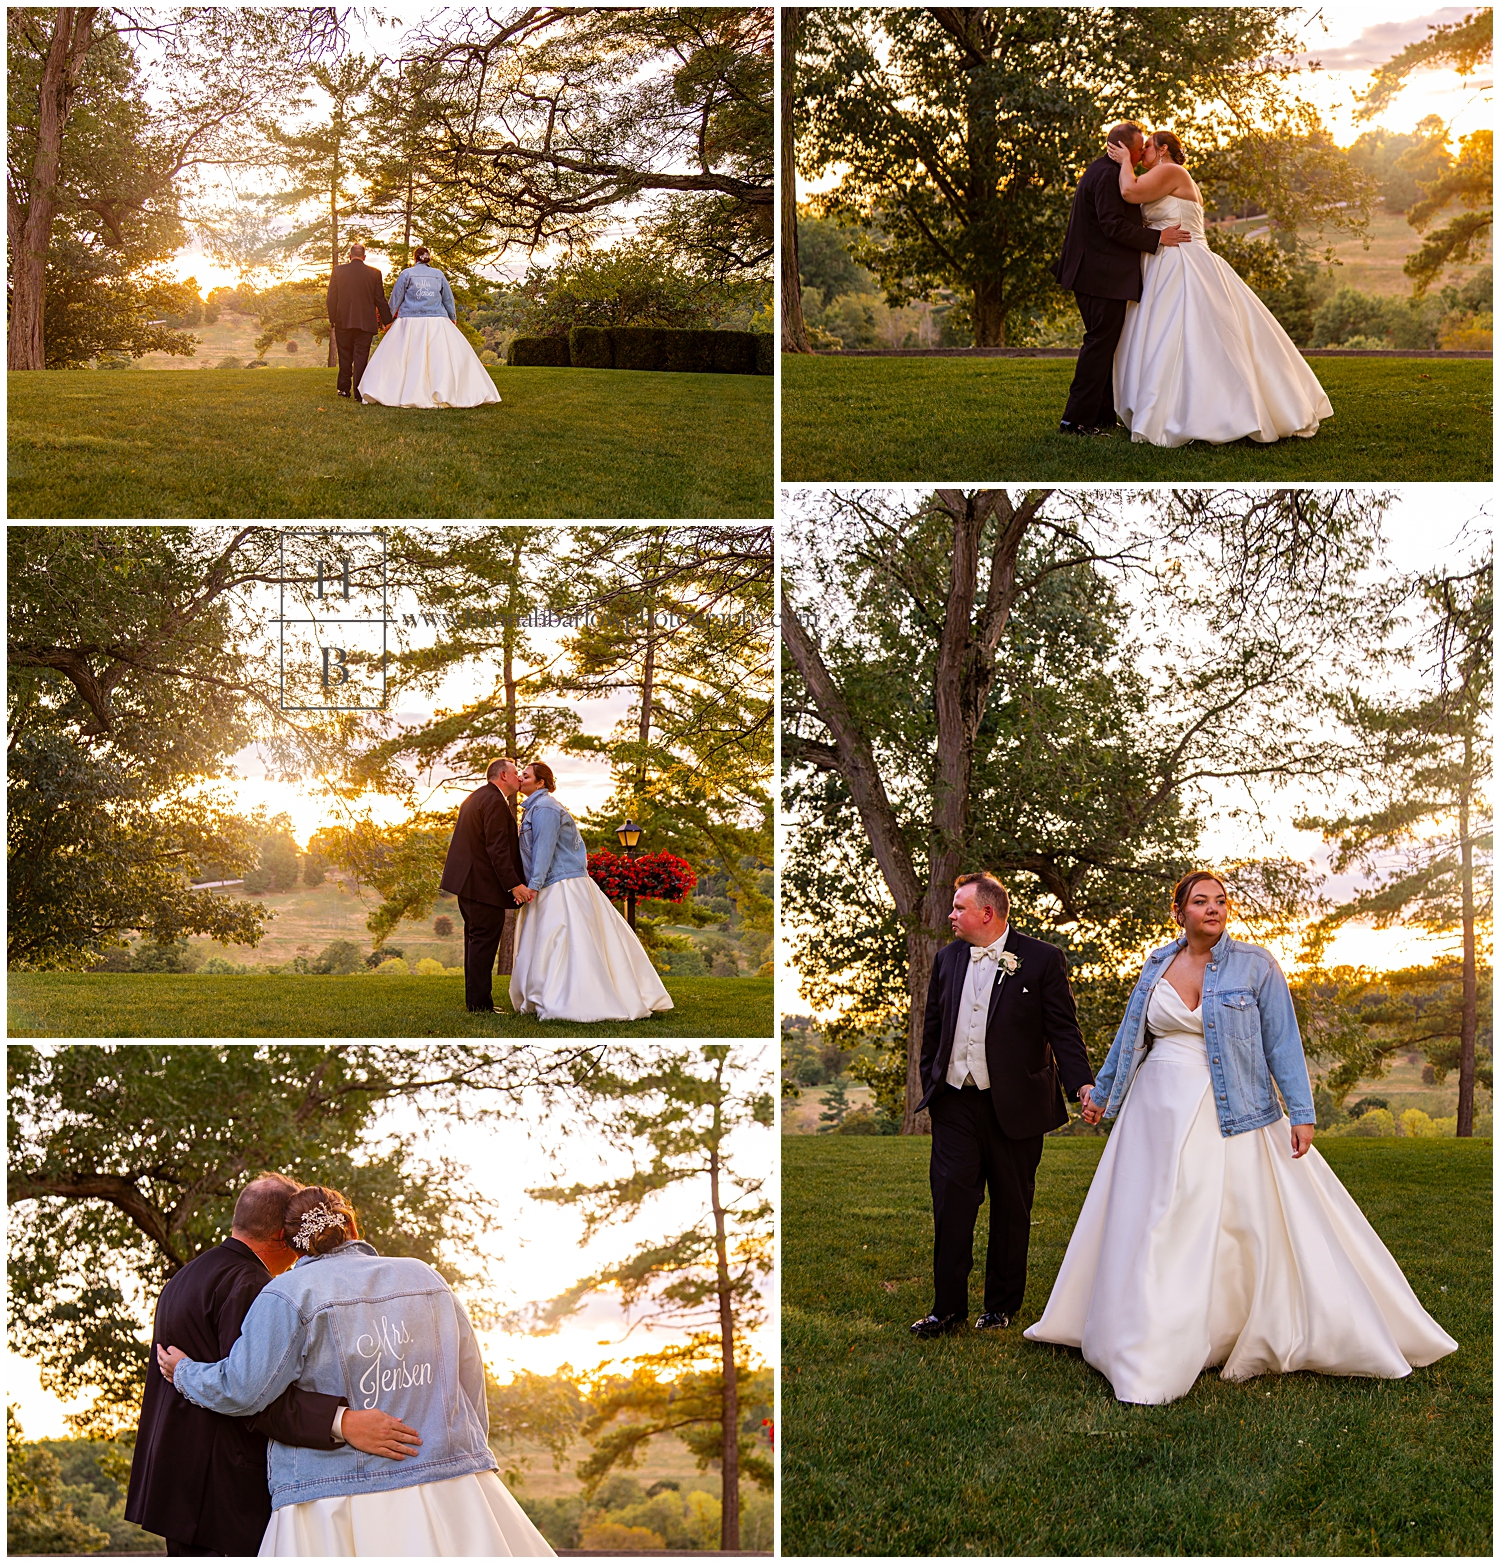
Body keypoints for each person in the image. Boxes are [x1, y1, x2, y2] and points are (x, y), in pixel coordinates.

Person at [1024, 872, 1459, 1404]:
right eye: (1200, 901)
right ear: (1178, 911)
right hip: (1152, 1116)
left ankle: (1207, 1333)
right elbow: (1130, 1037)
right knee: (1148, 1216)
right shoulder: (1157, 963)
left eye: (1221, 901)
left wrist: (1301, 1111)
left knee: (1204, 1218)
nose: (1213, 908)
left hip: (1225, 1111)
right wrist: (1102, 1095)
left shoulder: (1257, 965)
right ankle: (1139, 1331)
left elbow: (1282, 1041)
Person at [157, 1185, 554, 1557]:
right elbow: (468, 1379)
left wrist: (185, 1372)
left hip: (328, 1496)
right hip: (448, 1484)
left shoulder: (285, 1294)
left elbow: (242, 1389)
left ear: (293, 1244)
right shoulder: (426, 1277)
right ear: (349, 1224)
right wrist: (459, 1450)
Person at [125, 1173, 420, 1556]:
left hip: (179, 1491)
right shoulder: (252, 1285)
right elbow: (252, 1393)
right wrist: (343, 1423)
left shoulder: (184, 1278)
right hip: (226, 1499)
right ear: (284, 1236)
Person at [908, 873, 1094, 1340]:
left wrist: (1083, 1085)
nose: (950, 916)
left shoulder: (1042, 959)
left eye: (958, 908)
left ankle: (1000, 1305)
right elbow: (933, 1026)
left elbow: (1063, 1030)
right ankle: (946, 1310)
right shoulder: (948, 959)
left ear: (986, 914)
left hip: (1015, 1105)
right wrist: (933, 1078)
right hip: (954, 1102)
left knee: (1012, 1205)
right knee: (951, 1204)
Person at [1106, 130, 1334, 445]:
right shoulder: (1163, 174)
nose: (1140, 153)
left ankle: (1215, 413)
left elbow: (1129, 193)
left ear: (1162, 150)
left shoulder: (1171, 171)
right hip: (1163, 261)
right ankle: (1172, 407)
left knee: (1194, 336)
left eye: (1146, 147)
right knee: (1168, 338)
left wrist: (1121, 162)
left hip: (1182, 261)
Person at [1052, 121, 1193, 436]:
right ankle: (1074, 420)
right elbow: (1112, 225)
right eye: (1139, 147)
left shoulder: (1104, 170)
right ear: (1126, 149)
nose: (1142, 151)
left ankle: (1101, 416)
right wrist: (1157, 239)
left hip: (1097, 275)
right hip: (1099, 276)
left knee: (1105, 344)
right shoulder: (1106, 175)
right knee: (1100, 343)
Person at [508, 761, 674, 1023]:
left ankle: (571, 998)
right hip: (553, 881)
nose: (520, 779)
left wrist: (534, 885)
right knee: (551, 939)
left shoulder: (545, 809)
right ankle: (542, 994)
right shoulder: (535, 808)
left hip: (560, 884)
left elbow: (544, 850)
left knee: (563, 938)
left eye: (526, 776)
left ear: (540, 783)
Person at [439, 758, 531, 1014]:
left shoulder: (477, 798)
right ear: (503, 775)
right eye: (516, 773)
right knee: (482, 944)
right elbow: (497, 848)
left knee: (475, 943)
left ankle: (477, 1002)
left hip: (469, 885)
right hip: (483, 888)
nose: (519, 778)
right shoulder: (493, 801)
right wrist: (514, 885)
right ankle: (480, 1005)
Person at [358, 246, 501, 409]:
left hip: (410, 319)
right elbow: (448, 298)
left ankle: (399, 391)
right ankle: (440, 390)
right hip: (436, 319)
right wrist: (452, 317)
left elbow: (396, 298)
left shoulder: (407, 274)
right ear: (428, 259)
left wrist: (388, 319)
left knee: (403, 358)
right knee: (438, 359)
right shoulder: (438, 275)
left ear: (415, 258)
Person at [326, 243, 394, 403]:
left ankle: (343, 389)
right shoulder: (374, 273)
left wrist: (333, 319)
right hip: (365, 322)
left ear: (350, 256)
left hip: (343, 320)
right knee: (361, 357)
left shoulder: (338, 271)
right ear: (364, 257)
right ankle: (359, 392)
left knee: (344, 355)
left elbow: (331, 298)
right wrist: (388, 321)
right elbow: (380, 299)